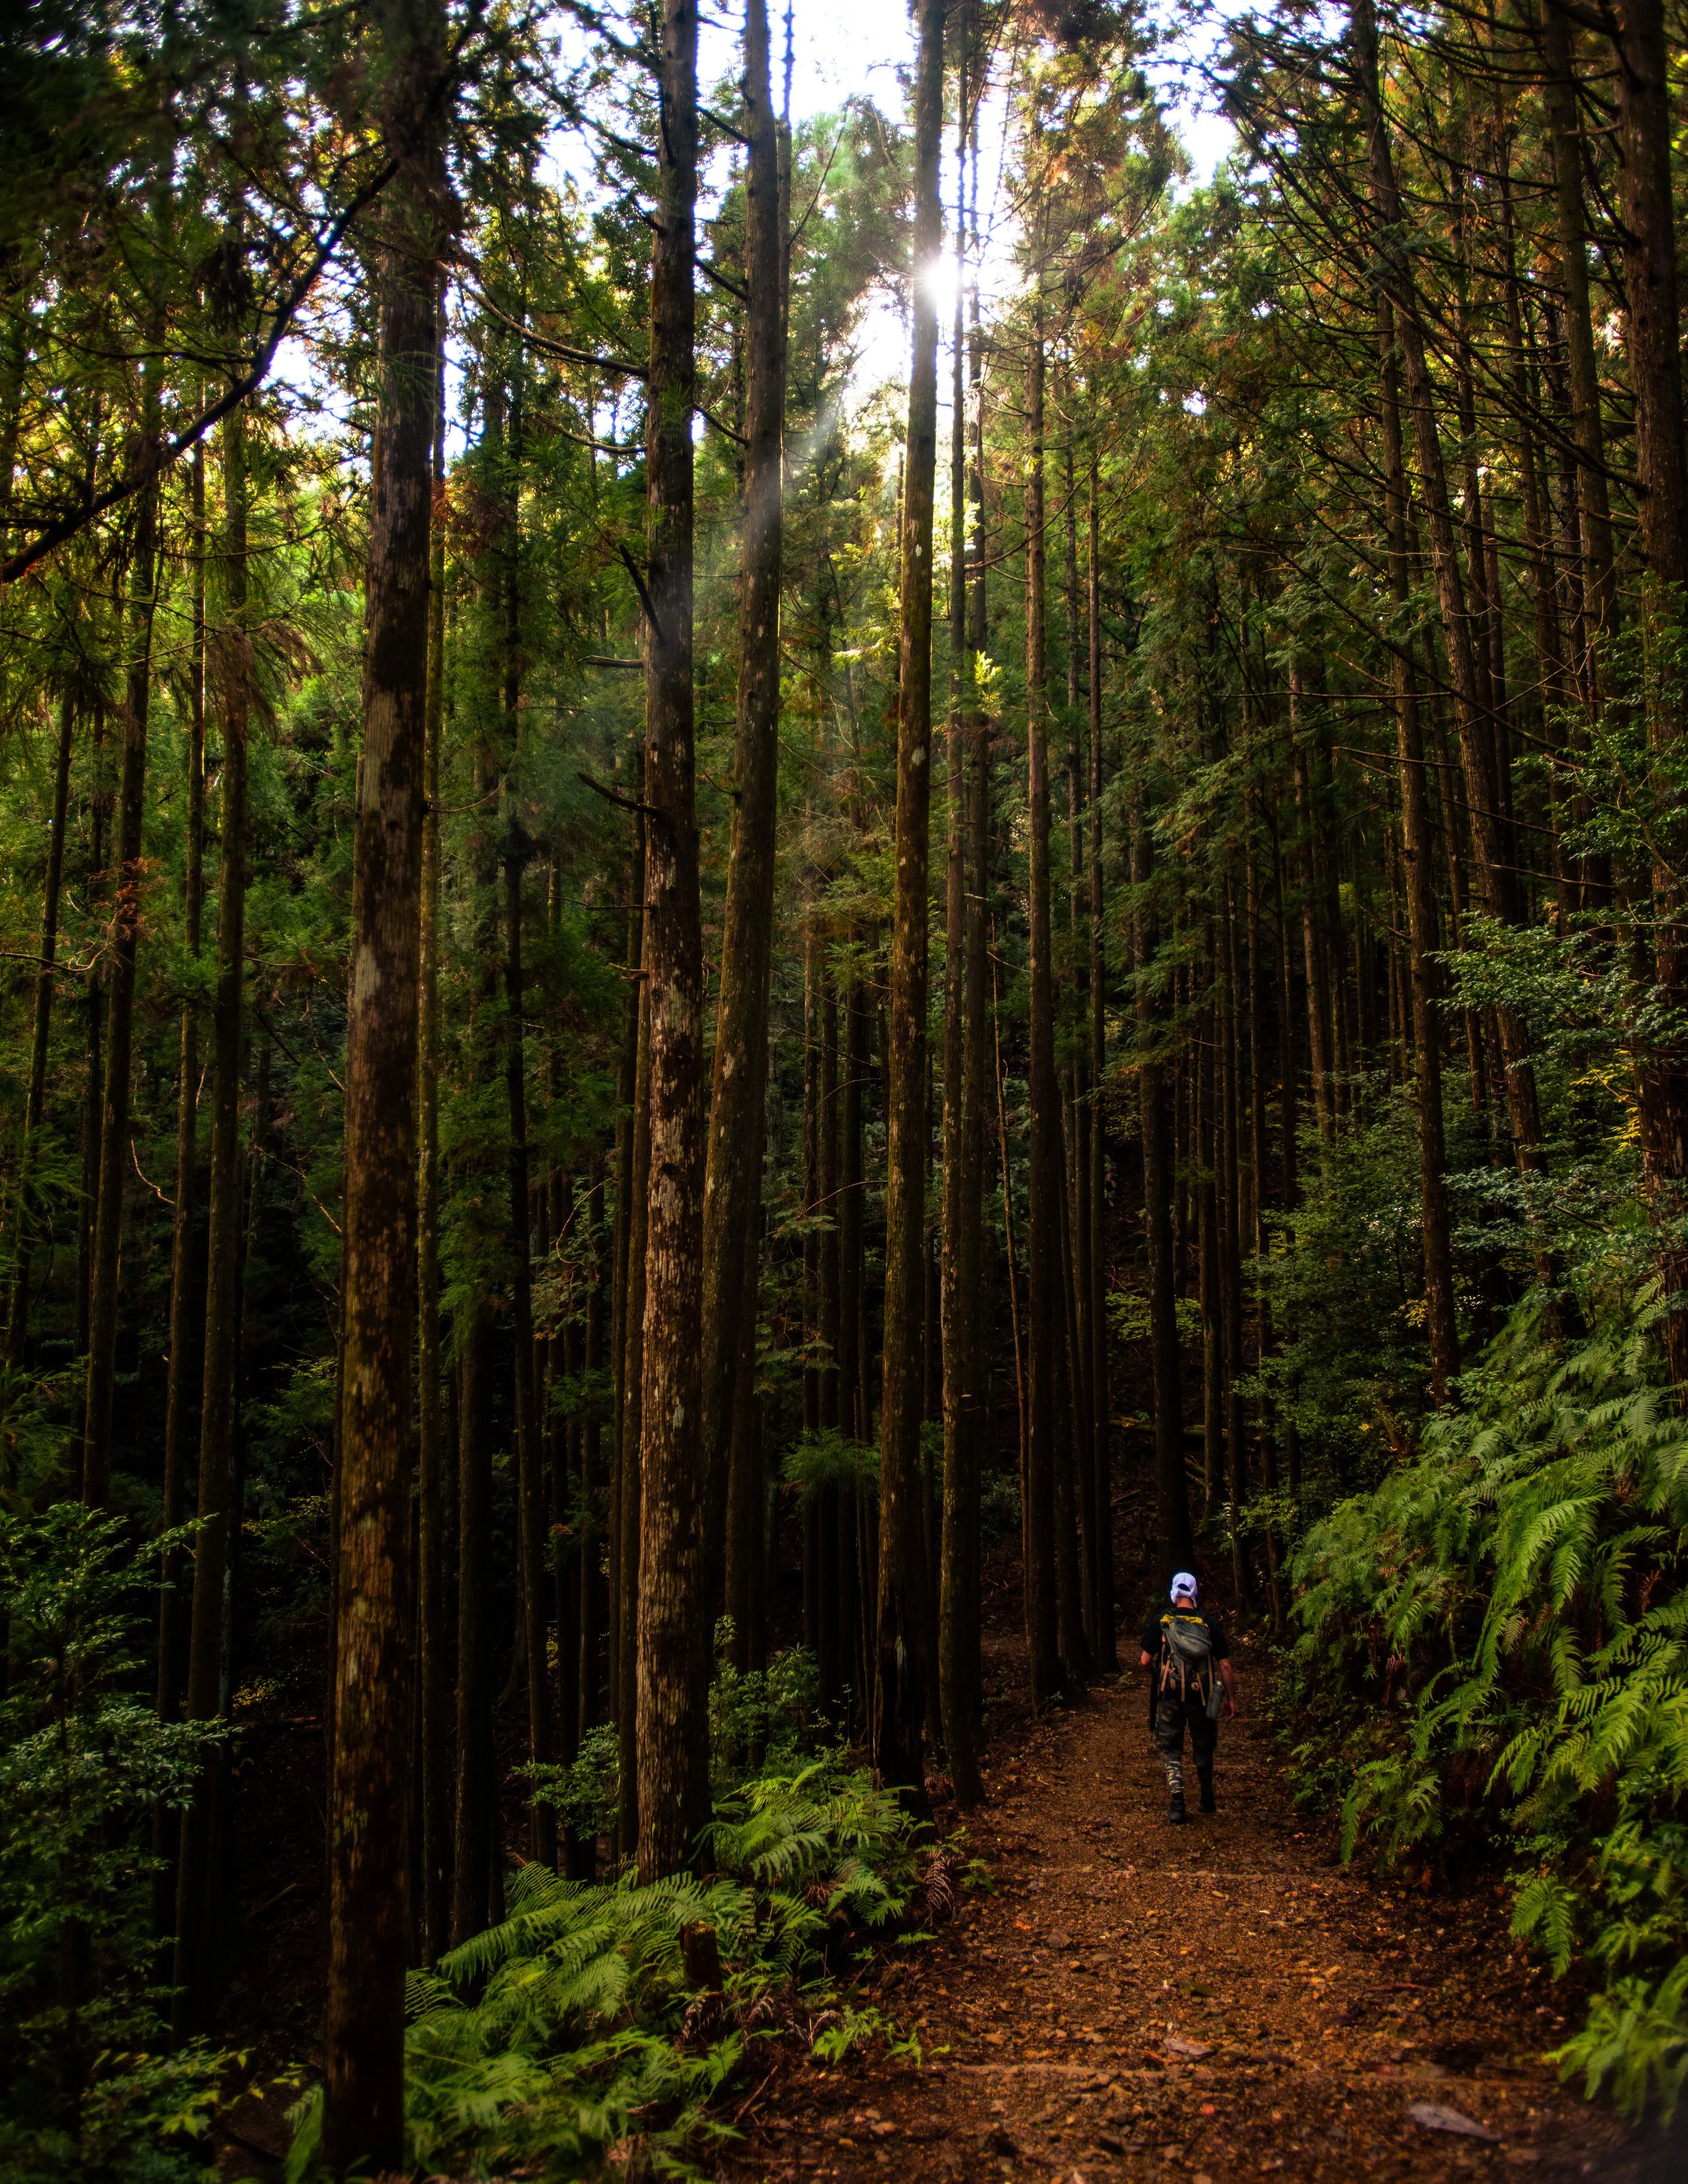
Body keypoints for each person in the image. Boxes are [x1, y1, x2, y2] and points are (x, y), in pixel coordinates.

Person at [1140, 1571, 1236, 1823]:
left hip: (1170, 1695)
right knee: (1204, 1745)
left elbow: (1144, 1661)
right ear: (1195, 1592)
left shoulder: (1162, 1621)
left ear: (1175, 1592)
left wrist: (1157, 1676)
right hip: (1202, 1697)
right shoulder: (1208, 1624)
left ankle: (1178, 1804)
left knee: (1172, 1750)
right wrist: (1231, 1699)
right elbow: (1224, 1665)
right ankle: (1206, 1799)